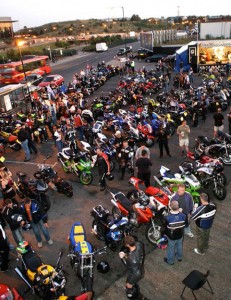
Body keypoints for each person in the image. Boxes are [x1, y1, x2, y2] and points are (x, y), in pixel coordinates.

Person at [164, 201, 186, 265]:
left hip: (171, 236)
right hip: (180, 234)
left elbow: (165, 226)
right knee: (179, 245)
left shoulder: (167, 217)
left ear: (170, 207)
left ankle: (170, 261)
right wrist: (180, 212)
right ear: (178, 207)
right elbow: (185, 222)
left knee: (171, 249)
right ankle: (179, 257)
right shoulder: (183, 215)